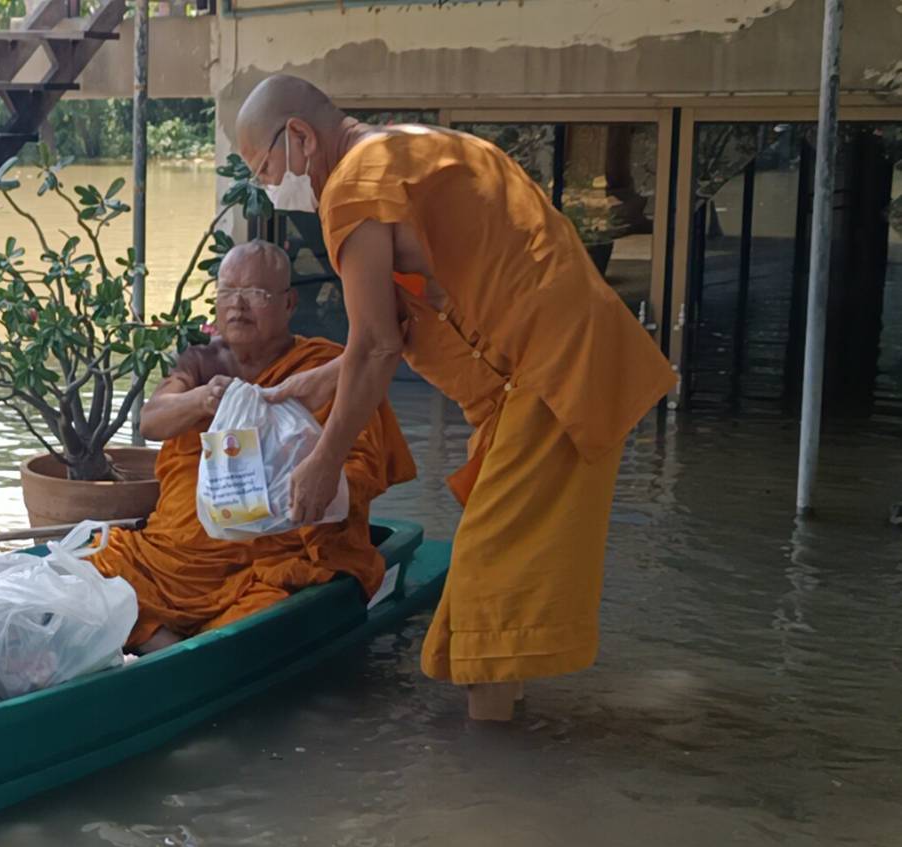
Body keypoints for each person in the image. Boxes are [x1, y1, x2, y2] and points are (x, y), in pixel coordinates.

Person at [234, 75, 678, 720]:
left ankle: (491, 782)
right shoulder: (422, 148)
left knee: (480, 593)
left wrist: (325, 458)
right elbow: (399, 326)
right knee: (503, 582)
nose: (274, 187)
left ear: (300, 136)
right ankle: (510, 727)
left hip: (547, 373)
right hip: (555, 364)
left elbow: (378, 345)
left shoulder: (354, 185)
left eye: (268, 168)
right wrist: (313, 382)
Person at [90, 240, 417, 654]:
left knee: (278, 596)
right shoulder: (202, 362)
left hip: (271, 556)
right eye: (227, 292)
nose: (238, 306)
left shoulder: (322, 365)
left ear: (289, 303)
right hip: (179, 554)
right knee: (92, 572)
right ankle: (165, 643)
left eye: (256, 294)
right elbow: (151, 421)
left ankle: (170, 646)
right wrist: (203, 399)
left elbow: (360, 467)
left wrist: (297, 486)